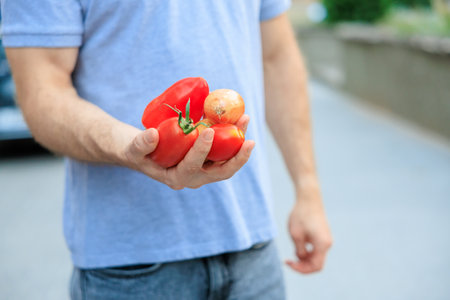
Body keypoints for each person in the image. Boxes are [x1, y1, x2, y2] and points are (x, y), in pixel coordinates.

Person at [2, 0, 332, 299]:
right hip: (131, 266)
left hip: (254, 247)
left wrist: (308, 191)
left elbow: (276, 57)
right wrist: (126, 146)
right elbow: (41, 90)